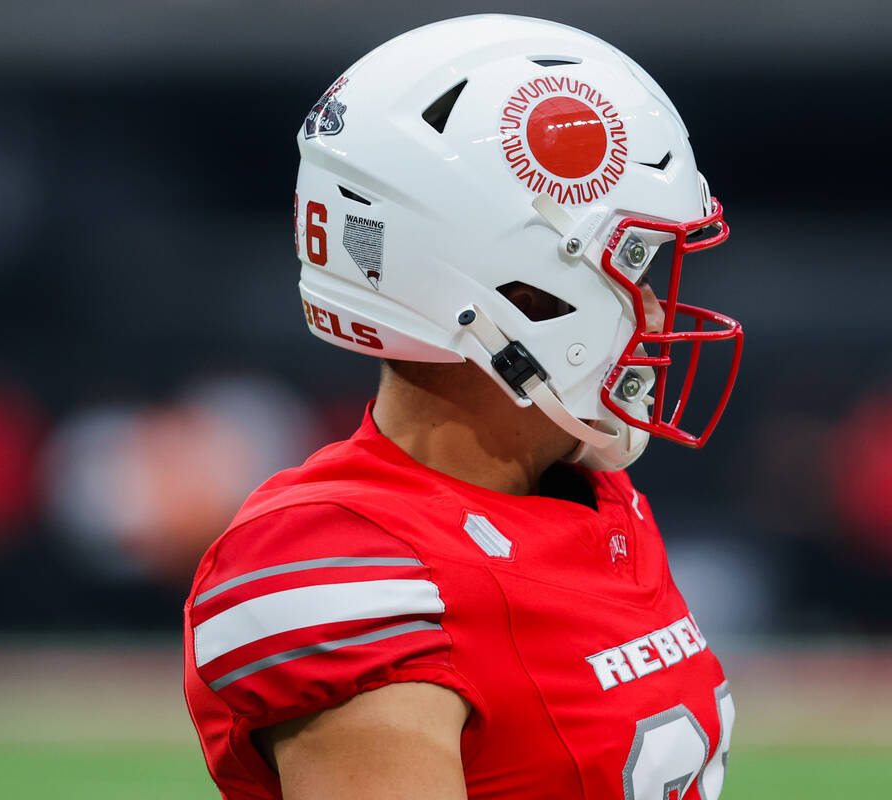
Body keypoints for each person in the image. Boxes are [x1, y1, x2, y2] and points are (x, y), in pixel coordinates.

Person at [184, 14, 744, 800]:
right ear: (515, 290)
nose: (654, 309)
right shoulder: (349, 566)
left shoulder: (589, 490)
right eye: (634, 264)